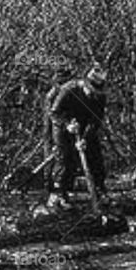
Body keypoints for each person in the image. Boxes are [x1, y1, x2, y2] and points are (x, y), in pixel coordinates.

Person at [43, 64, 109, 209]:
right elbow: (54, 113)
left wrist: (85, 138)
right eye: (90, 90)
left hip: (84, 124)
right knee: (65, 158)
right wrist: (67, 125)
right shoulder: (69, 90)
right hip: (61, 124)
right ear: (84, 83)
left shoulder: (100, 97)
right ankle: (60, 193)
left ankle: (98, 190)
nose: (92, 94)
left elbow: (96, 120)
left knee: (95, 155)